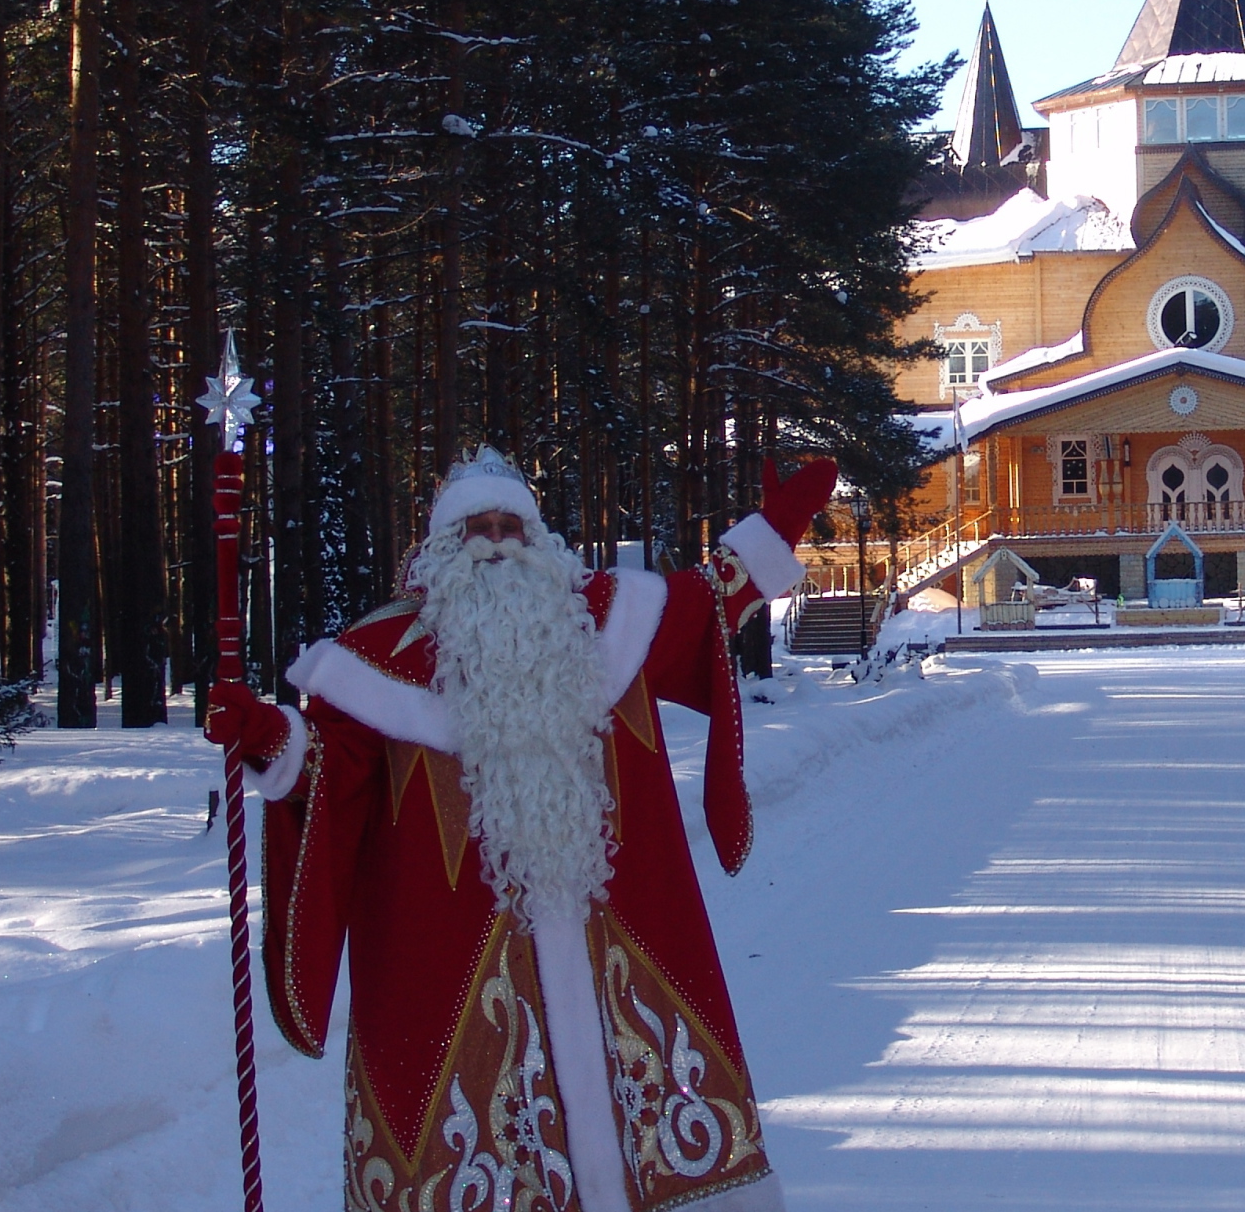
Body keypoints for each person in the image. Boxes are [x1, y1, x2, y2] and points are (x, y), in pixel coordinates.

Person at [205, 448, 836, 1212]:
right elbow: (331, 778)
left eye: (510, 525)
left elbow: (706, 602)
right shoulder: (376, 663)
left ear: (539, 543)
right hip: (452, 966)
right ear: (438, 551)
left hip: (621, 942)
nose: (496, 542)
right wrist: (271, 741)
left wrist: (778, 526)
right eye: (475, 529)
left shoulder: (607, 618)